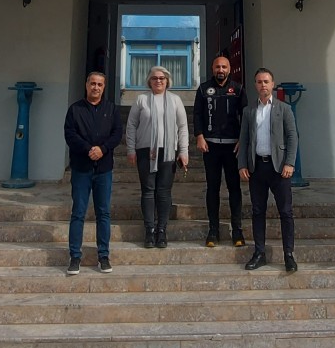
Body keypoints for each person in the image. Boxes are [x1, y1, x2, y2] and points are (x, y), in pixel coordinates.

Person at [238, 67, 299, 272]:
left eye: (266, 81)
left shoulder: (284, 109)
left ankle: (288, 254)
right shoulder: (249, 111)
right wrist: (242, 164)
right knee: (257, 211)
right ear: (255, 85)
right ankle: (259, 253)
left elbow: (292, 136)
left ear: (272, 84)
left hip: (279, 168)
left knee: (285, 211)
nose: (263, 85)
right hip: (257, 167)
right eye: (259, 82)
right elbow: (244, 139)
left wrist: (290, 163)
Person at [63, 71, 123, 276]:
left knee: (103, 213)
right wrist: (89, 149)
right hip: (81, 168)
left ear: (104, 87)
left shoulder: (111, 109)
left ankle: (103, 256)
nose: (96, 87)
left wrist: (102, 149)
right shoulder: (75, 110)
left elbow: (117, 133)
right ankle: (75, 256)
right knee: (78, 212)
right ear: (86, 85)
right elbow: (70, 135)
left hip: (103, 170)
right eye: (93, 83)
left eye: (100, 84)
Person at [126, 65, 189, 249]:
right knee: (148, 191)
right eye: (155, 78)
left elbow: (183, 127)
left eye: (162, 78)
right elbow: (131, 125)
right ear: (149, 81)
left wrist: (183, 151)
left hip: (168, 152)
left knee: (164, 191)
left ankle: (162, 230)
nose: (158, 81)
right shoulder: (142, 100)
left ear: (167, 81)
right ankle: (149, 230)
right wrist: (131, 149)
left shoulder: (175, 100)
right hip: (145, 151)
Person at [194, 54, 247, 247]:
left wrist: (243, 139)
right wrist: (199, 136)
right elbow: (197, 114)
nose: (221, 70)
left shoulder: (238, 89)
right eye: (217, 67)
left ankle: (237, 231)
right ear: (212, 69)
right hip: (211, 146)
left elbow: (245, 116)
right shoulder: (203, 89)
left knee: (234, 188)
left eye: (224, 67)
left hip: (233, 147)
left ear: (229, 69)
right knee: (212, 188)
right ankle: (213, 230)